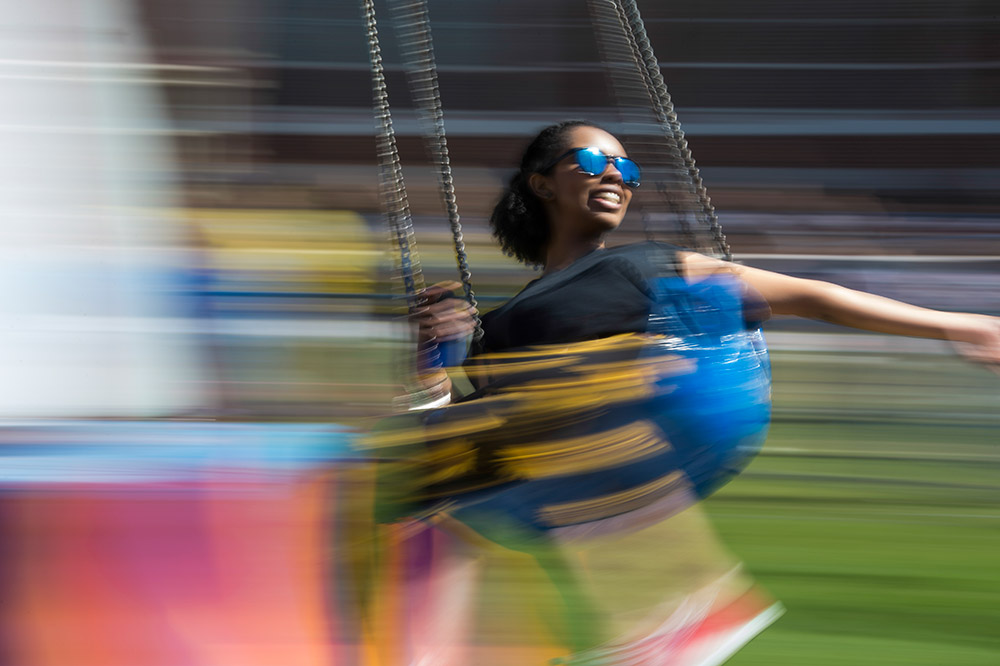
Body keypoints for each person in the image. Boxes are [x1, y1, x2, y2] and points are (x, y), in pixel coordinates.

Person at [386, 120, 1000, 665]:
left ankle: (674, 613)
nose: (616, 177)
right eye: (596, 162)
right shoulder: (497, 327)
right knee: (425, 481)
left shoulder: (643, 265)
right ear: (542, 183)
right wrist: (433, 370)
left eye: (626, 168)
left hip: (661, 400)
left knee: (549, 412)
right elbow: (460, 445)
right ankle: (455, 649)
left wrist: (957, 324)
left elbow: (812, 295)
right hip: (586, 444)